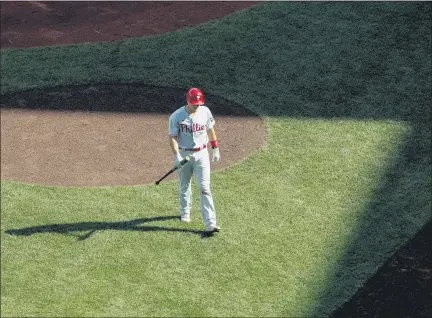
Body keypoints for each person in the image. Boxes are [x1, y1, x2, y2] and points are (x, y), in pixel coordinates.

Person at [168, 88, 221, 236]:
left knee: (205, 187)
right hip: (185, 154)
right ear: (188, 100)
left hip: (202, 154)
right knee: (185, 184)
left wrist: (215, 148)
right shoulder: (176, 116)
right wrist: (177, 155)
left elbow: (210, 130)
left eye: (198, 103)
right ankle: (185, 212)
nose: (197, 106)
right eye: (194, 104)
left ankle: (210, 223)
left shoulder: (205, 112)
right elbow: (172, 137)